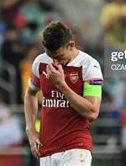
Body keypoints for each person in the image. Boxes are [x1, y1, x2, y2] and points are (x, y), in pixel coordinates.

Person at [24, 21, 103, 165]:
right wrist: (30, 130)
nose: (55, 62)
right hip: (46, 147)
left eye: (59, 56)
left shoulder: (89, 66)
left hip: (75, 146)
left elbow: (92, 112)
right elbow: (30, 94)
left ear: (71, 45)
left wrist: (61, 84)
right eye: (51, 56)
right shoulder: (40, 63)